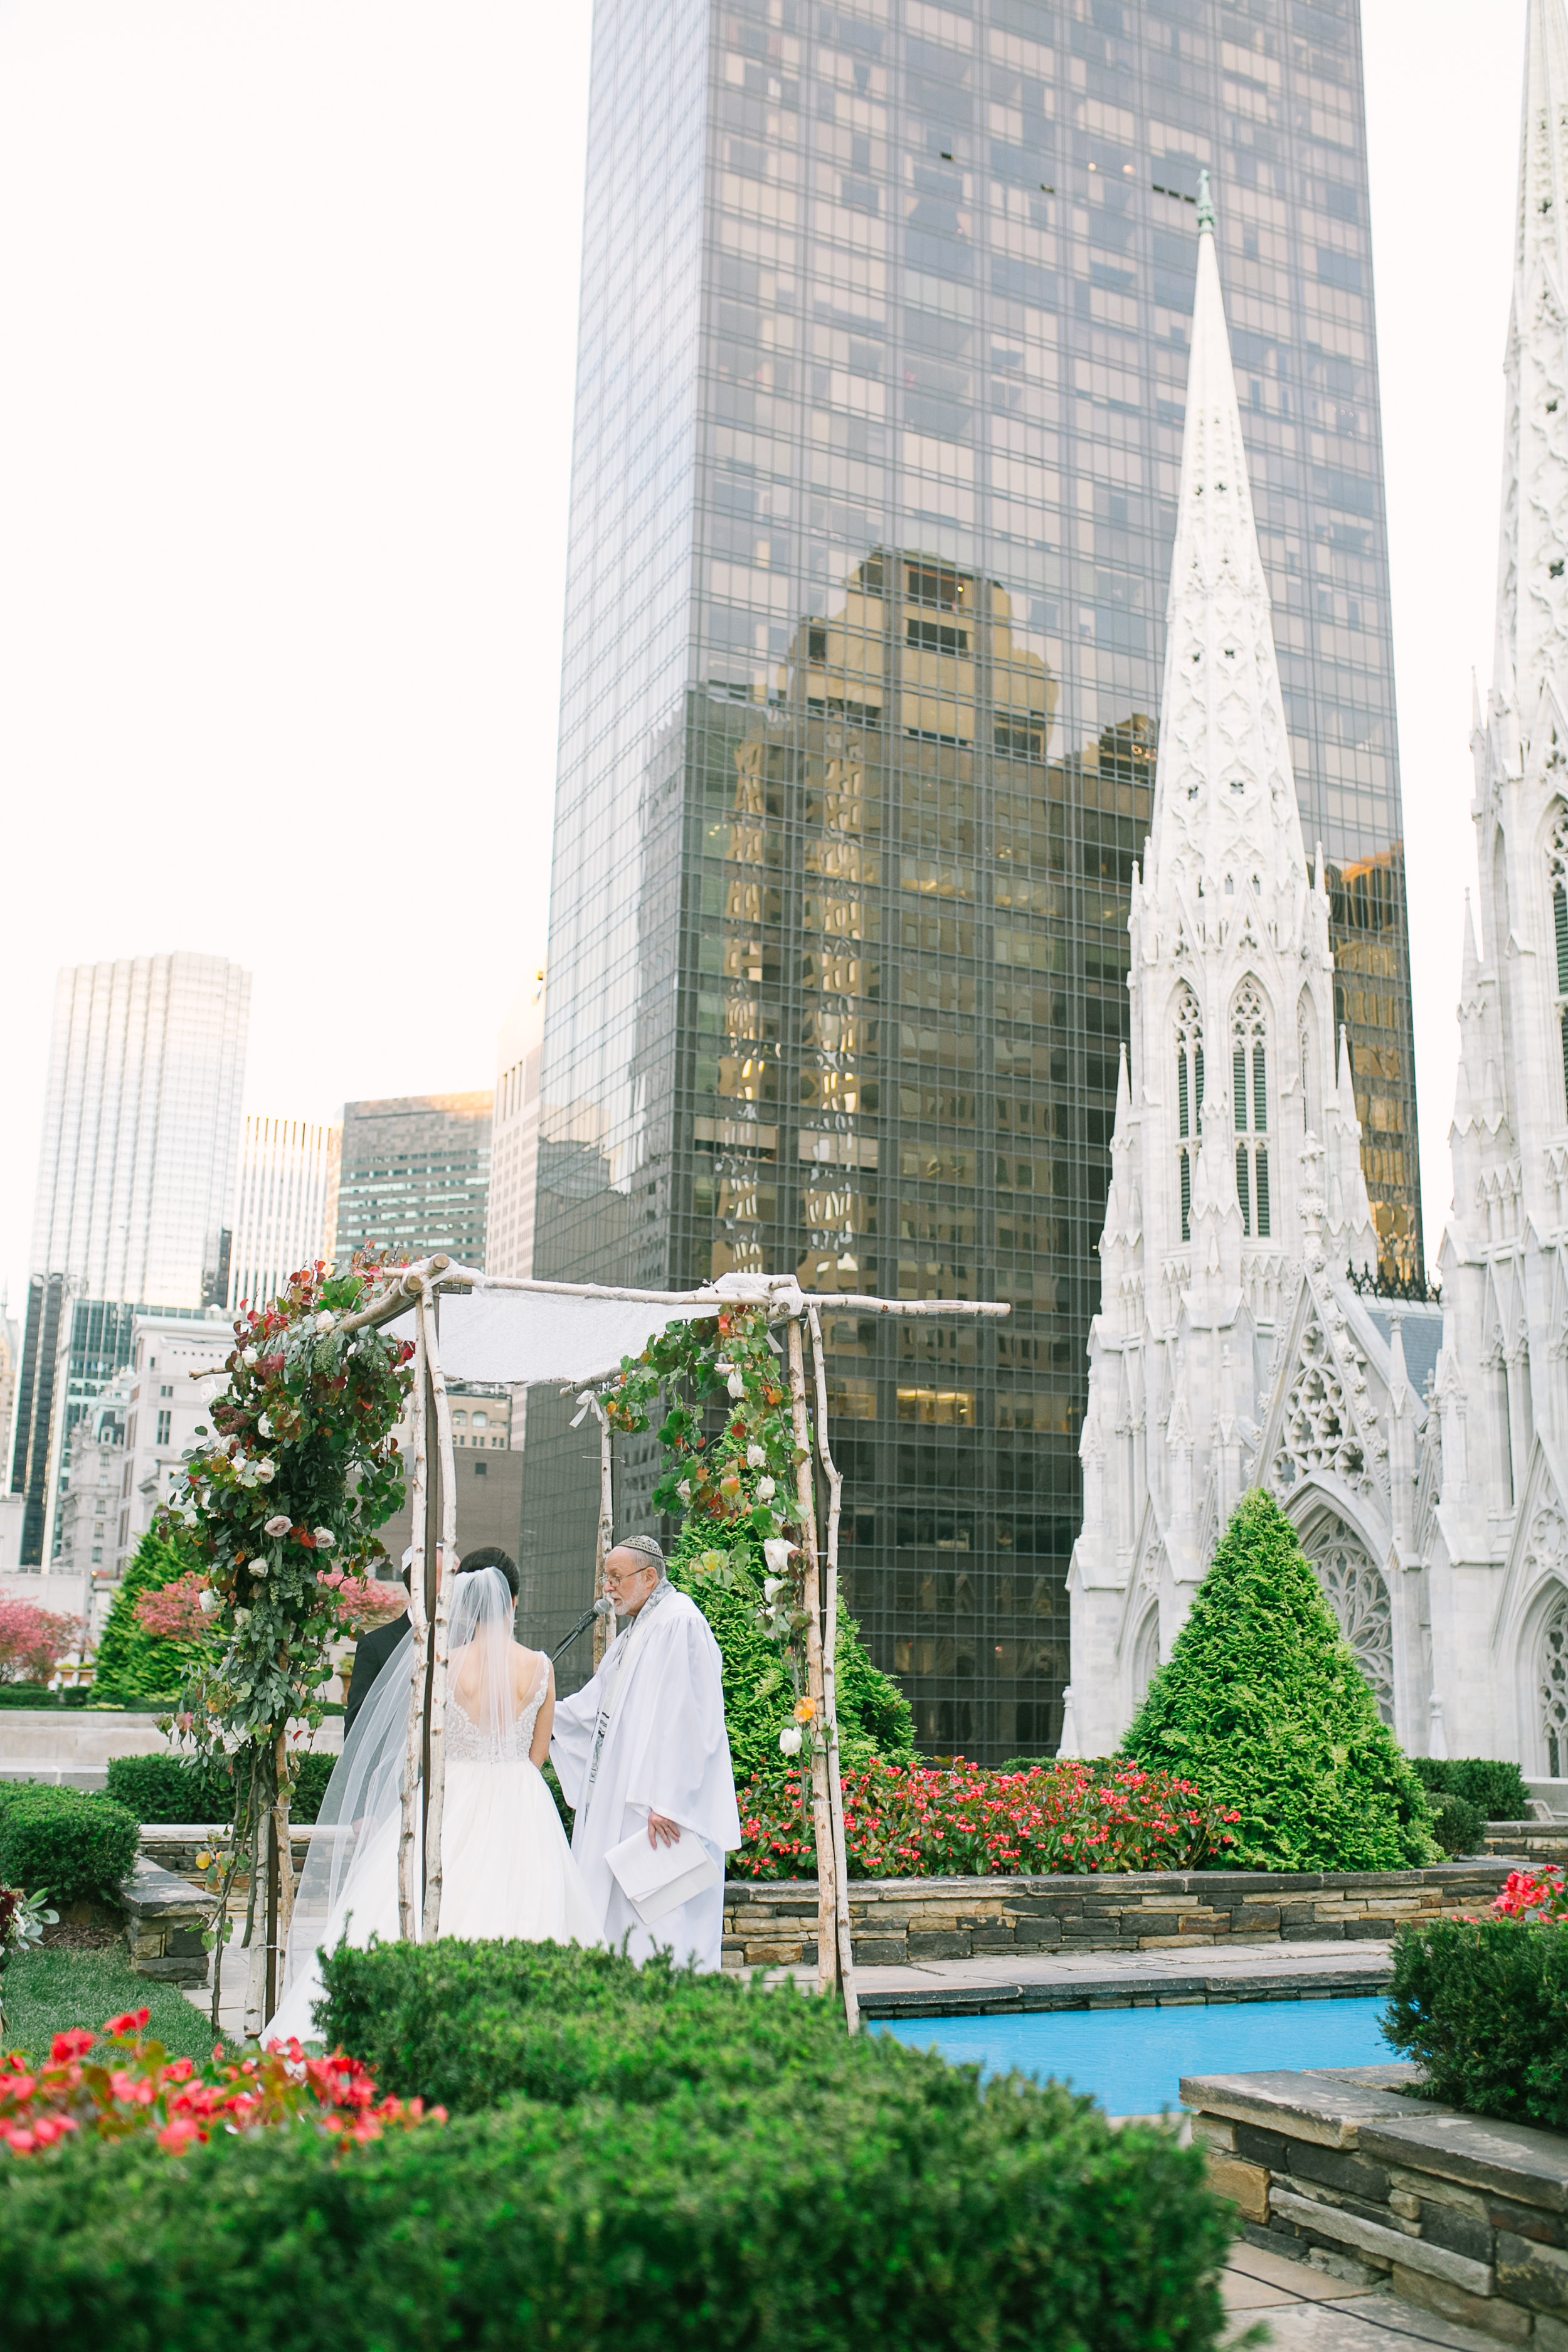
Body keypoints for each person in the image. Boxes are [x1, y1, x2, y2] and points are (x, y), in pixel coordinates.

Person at [268, 1548, 598, 2044]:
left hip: (452, 1790)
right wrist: (507, 1778)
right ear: (513, 1602)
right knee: (527, 1901)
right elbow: (538, 1752)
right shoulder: (540, 1668)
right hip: (521, 1796)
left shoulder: (441, 1663)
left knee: (431, 1894)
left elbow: (422, 1745)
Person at [549, 1534, 740, 1973]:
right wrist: (544, 1712)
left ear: (650, 1576)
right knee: (622, 1912)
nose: (608, 1588)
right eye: (606, 1579)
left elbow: (689, 1717)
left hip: (658, 1807)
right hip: (623, 1795)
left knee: (660, 1912)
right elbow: (598, 1703)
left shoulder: (680, 1622)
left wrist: (669, 1800)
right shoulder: (637, 1629)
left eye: (616, 1578)